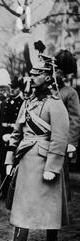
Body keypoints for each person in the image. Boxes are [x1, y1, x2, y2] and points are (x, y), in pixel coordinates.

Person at [0, 55, 69, 241]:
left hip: (46, 160)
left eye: (37, 74)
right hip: (26, 158)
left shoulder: (56, 104)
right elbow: (17, 133)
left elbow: (60, 137)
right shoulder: (28, 103)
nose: (32, 77)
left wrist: (53, 167)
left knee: (50, 202)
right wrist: (9, 159)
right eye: (32, 74)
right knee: (23, 201)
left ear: (47, 78)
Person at [54, 49, 80, 202]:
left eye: (59, 71)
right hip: (45, 140)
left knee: (59, 179)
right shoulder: (45, 91)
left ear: (65, 74)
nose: (55, 73)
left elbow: (75, 120)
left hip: (61, 142)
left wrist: (71, 143)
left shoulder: (70, 93)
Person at [0, 76, 24, 191]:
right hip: (2, 133)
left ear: (19, 89)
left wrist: (13, 135)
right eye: (11, 87)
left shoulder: (22, 103)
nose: (12, 90)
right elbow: (0, 120)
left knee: (10, 161)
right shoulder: (4, 103)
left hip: (14, 134)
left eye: (15, 88)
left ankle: (8, 189)